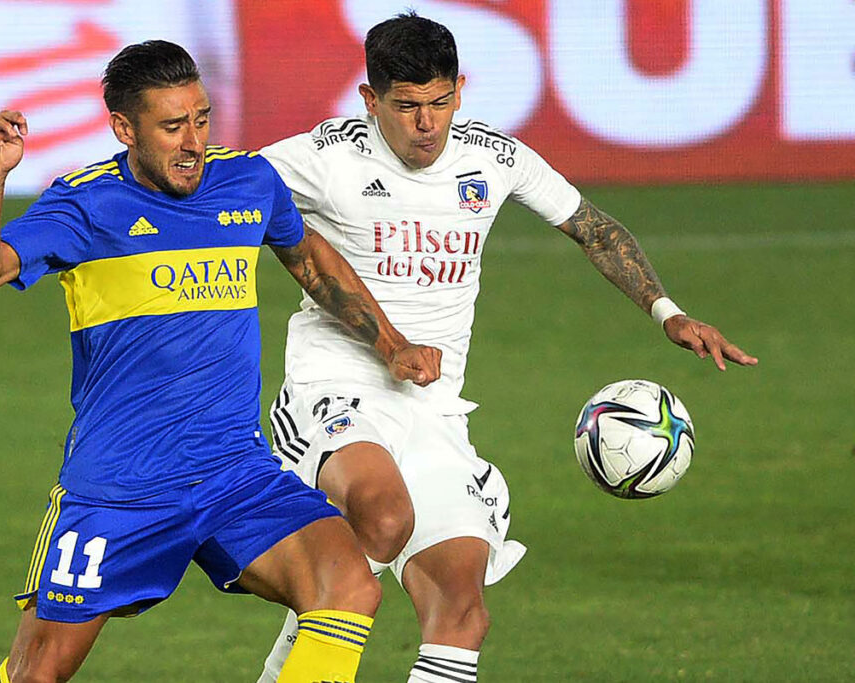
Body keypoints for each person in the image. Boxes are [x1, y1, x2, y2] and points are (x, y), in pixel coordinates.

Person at [255, 12, 759, 683]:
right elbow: (222, 195)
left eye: (439, 102)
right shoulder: (325, 156)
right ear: (371, 101)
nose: (425, 124)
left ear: (460, 90)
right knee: (381, 514)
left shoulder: (492, 158)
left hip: (435, 409)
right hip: (335, 388)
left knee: (462, 612)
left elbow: (595, 230)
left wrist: (668, 312)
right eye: (405, 107)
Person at [0, 40, 443, 683]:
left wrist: (392, 344)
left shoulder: (248, 182)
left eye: (203, 119)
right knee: (35, 674)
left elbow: (312, 263)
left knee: (347, 584)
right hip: (120, 488)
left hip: (233, 471)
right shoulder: (86, 204)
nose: (194, 142)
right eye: (173, 125)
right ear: (125, 128)